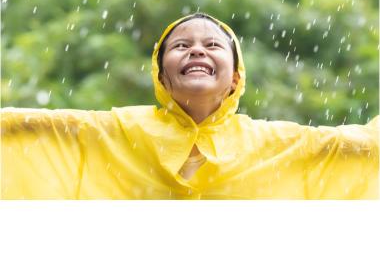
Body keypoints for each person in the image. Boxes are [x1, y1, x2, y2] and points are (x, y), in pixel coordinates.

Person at [1, 12, 379, 199]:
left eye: (212, 45)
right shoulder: (116, 131)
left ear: (235, 77)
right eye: (181, 46)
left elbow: (364, 148)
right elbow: (27, 130)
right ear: (161, 76)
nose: (197, 48)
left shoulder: (275, 142)